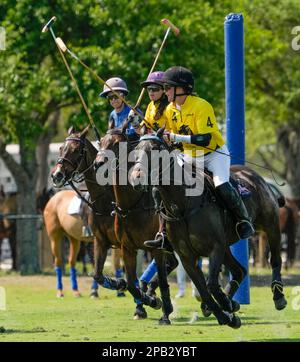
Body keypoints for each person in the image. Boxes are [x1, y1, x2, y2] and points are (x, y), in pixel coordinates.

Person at [144, 66, 255, 251]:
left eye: (168, 87)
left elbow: (206, 139)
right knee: (160, 186)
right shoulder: (170, 108)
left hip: (213, 154)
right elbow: (168, 134)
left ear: (181, 88)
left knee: (221, 185)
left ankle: (243, 221)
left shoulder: (201, 105)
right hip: (188, 156)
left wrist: (176, 138)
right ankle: (163, 233)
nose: (165, 91)